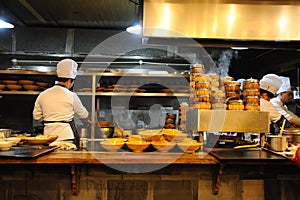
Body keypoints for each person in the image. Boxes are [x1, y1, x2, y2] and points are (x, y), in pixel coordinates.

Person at [33, 58, 91, 149]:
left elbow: (36, 116)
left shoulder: (43, 94)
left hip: (48, 136)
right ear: (69, 81)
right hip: (66, 136)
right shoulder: (71, 95)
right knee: (66, 159)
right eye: (72, 83)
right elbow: (83, 114)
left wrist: (50, 120)